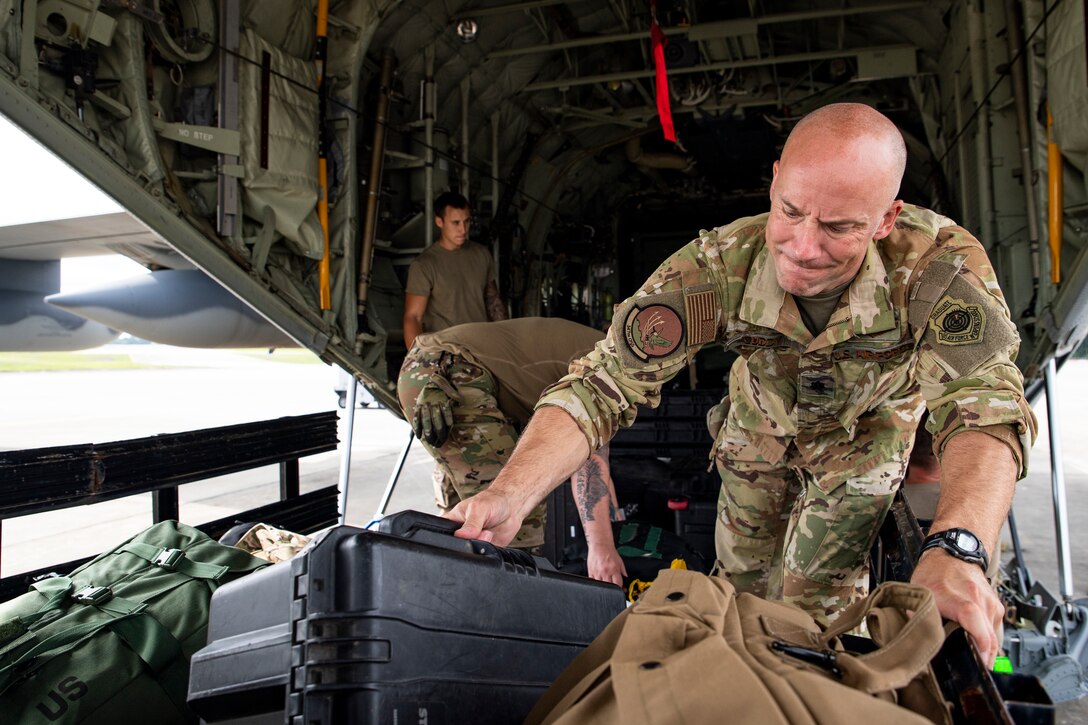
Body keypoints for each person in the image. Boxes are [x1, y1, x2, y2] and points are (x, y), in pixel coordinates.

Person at [445, 103, 1038, 667]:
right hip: (754, 448)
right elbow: (601, 385)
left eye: (839, 227)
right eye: (791, 211)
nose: (804, 248)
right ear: (775, 180)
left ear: (885, 219)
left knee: (817, 623)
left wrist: (959, 548)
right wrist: (511, 493)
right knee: (739, 600)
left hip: (859, 458)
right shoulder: (723, 264)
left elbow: (985, 407)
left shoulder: (935, 268)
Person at [397, 317, 626, 585]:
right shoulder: (607, 365)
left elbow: (596, 463)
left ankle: (441, 588)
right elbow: (590, 464)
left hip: (435, 366)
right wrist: (602, 549)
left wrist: (615, 517)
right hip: (450, 375)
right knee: (510, 511)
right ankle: (501, 606)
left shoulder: (587, 343)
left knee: (468, 516)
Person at [402, 192, 506, 350]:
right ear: (439, 222)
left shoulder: (481, 254)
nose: (463, 229)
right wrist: (417, 359)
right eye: (455, 223)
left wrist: (506, 339)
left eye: (467, 221)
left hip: (481, 348)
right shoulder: (424, 265)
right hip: (446, 352)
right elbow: (413, 318)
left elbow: (493, 301)